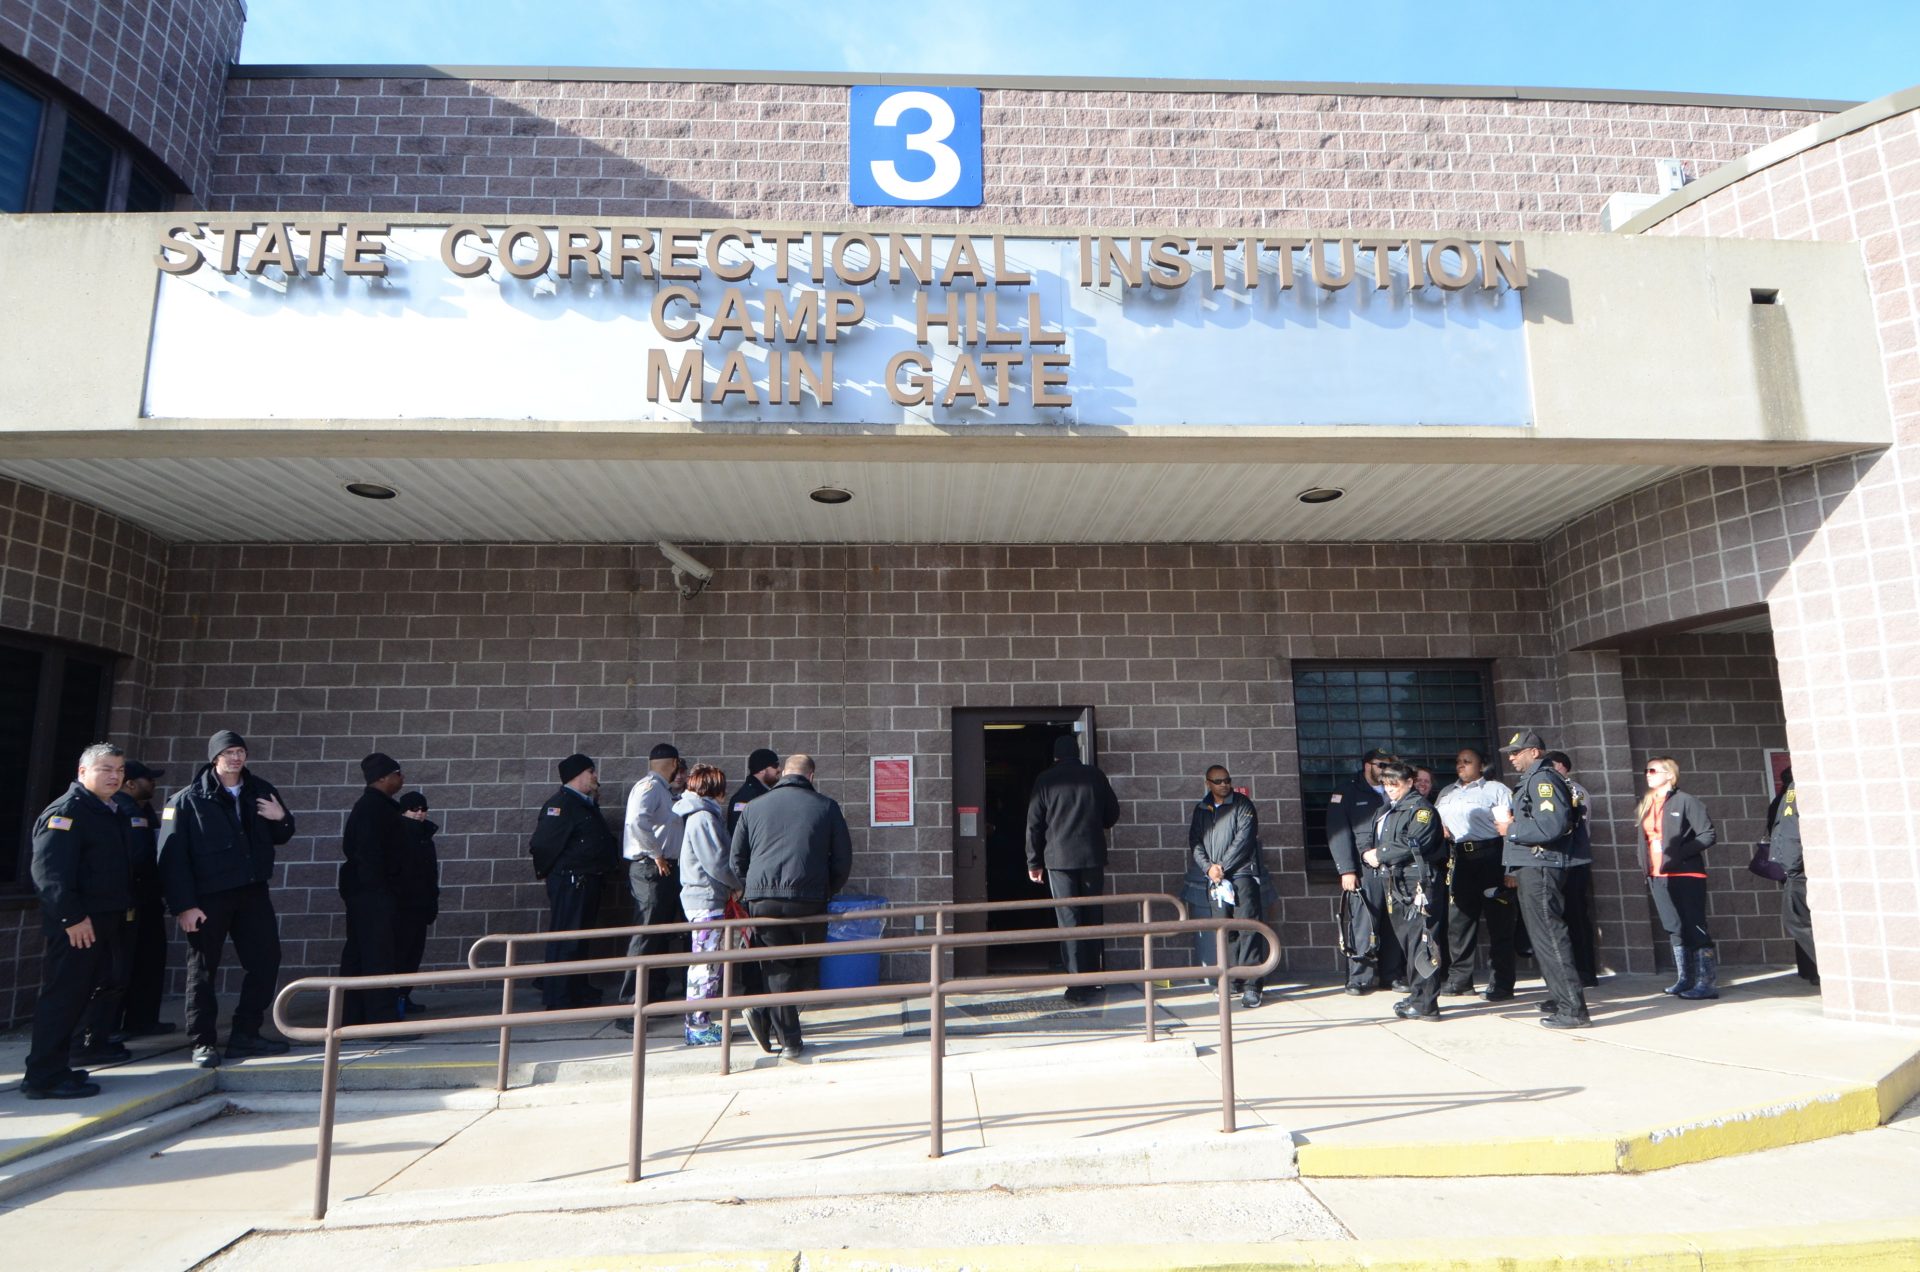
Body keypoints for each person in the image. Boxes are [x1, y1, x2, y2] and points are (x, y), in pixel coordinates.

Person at [157, 730, 295, 1068]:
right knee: (203, 969)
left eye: (240, 751)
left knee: (266, 959)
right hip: (208, 898)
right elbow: (171, 859)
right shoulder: (186, 800)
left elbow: (282, 834)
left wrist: (283, 819)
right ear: (214, 757)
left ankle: (246, 1034)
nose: (236, 757)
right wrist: (184, 905)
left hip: (252, 893)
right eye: (229, 752)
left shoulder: (260, 790)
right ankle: (203, 1042)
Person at [23, 743, 135, 1099]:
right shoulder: (67, 812)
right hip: (77, 925)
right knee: (64, 995)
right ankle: (42, 1076)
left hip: (102, 920)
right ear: (82, 772)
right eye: (105, 769)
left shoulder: (106, 810)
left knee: (81, 995)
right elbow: (49, 874)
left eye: (119, 770)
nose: (114, 776)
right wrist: (72, 918)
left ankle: (58, 1067)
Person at [729, 753, 852, 1058]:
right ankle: (789, 1039)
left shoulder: (754, 806)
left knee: (777, 966)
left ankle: (765, 1014)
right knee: (805, 964)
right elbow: (843, 860)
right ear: (811, 776)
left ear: (783, 773)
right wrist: (826, 890)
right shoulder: (826, 806)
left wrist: (753, 887)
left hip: (762, 898)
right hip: (808, 898)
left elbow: (736, 859)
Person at [1494, 729, 1590, 1029]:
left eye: (1516, 752)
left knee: (1549, 936)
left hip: (1542, 866)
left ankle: (1573, 1009)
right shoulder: (1533, 780)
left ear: (1534, 752)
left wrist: (1510, 829)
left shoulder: (1543, 780)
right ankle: (1562, 997)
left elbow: (1551, 826)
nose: (1511, 758)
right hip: (1534, 866)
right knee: (1543, 936)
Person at [1024, 734, 1121, 1006]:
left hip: (1059, 860)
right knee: (1092, 917)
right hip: (1092, 857)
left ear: (1055, 756)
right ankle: (1093, 978)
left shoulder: (1045, 780)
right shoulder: (1095, 776)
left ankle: (1077, 986)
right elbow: (1112, 814)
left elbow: (1034, 825)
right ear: (1077, 753)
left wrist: (1034, 862)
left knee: (1069, 921)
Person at [529, 752, 619, 1012]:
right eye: (592, 771)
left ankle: (577, 988)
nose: (595, 776)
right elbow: (542, 845)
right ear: (578, 775)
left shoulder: (584, 803)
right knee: (566, 939)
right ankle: (558, 996)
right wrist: (556, 873)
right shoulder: (561, 804)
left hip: (587, 880)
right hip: (571, 882)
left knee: (580, 940)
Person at [1435, 747, 1518, 1001]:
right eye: (1458, 761)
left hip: (1491, 856)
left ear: (1481, 766)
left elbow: (1510, 830)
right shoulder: (1447, 792)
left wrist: (1511, 868)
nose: (1461, 766)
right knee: (1458, 922)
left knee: (1499, 923)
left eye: (1467, 762)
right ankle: (1460, 980)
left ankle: (1502, 984)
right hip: (1460, 858)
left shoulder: (1495, 790)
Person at [1368, 761, 1447, 1022]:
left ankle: (1426, 1004)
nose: (1390, 790)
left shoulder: (1420, 809)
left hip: (1417, 880)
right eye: (1386, 785)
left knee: (1422, 942)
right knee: (1408, 942)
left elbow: (1414, 843)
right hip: (1396, 880)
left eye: (1395, 785)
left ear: (1409, 783)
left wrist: (1379, 854)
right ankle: (1417, 996)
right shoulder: (1389, 809)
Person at [1639, 756, 1720, 1001]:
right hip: (1657, 875)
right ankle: (1685, 978)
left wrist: (1678, 854)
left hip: (1685, 873)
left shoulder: (1686, 801)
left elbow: (1708, 834)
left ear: (1670, 774)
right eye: (1647, 771)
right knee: (1673, 927)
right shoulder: (1648, 803)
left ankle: (1706, 982)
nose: (1648, 774)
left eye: (1653, 770)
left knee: (1694, 925)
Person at [337, 753, 408, 1027]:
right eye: (397, 773)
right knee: (378, 956)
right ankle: (380, 1019)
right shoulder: (372, 809)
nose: (402, 778)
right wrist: (383, 889)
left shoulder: (379, 807)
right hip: (372, 895)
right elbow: (369, 855)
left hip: (368, 893)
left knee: (359, 954)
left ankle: (353, 1017)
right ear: (382, 778)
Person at [1189, 765, 1267, 1008]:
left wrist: (1221, 865)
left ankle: (1252, 985)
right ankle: (1232, 978)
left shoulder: (1243, 805)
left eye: (1227, 780)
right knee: (1225, 930)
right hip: (1215, 879)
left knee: (1248, 928)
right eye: (1218, 781)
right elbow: (1195, 841)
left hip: (1241, 874)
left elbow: (1244, 840)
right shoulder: (1202, 809)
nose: (1224, 785)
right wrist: (1208, 868)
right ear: (1208, 783)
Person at [674, 763, 740, 1046]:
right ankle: (697, 1025)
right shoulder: (703, 818)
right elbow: (716, 862)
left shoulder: (698, 815)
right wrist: (737, 884)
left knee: (708, 960)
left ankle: (700, 1022)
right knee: (705, 962)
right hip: (706, 898)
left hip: (704, 897)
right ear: (715, 789)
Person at [1327, 747, 1401, 995]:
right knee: (1363, 923)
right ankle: (1359, 978)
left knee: (1393, 922)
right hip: (1363, 869)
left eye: (1388, 765)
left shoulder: (1395, 790)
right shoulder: (1347, 791)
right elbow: (1338, 833)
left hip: (1392, 866)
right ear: (1367, 765)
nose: (1385, 770)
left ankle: (1392, 975)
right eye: (1381, 765)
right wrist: (1346, 870)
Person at [622, 743, 687, 1007]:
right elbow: (637, 821)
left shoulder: (664, 790)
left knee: (660, 934)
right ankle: (631, 1004)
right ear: (672, 763)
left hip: (665, 868)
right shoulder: (649, 787)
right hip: (650, 867)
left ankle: (654, 995)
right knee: (646, 934)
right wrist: (656, 853)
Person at [115, 760, 175, 1037]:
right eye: (148, 779)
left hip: (149, 899)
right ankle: (112, 1027)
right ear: (130, 783)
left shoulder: (144, 811)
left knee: (149, 961)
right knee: (121, 965)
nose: (153, 783)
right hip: (127, 901)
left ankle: (142, 1020)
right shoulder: (117, 810)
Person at [1544, 751, 1599, 987]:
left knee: (1576, 915)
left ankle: (1585, 971)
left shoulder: (1574, 790)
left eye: (1553, 766)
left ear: (1564, 768)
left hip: (1574, 860)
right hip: (1556, 861)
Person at [1766, 767, 1817, 984]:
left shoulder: (1794, 793)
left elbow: (1789, 833)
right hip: (1795, 868)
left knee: (1798, 920)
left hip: (1798, 871)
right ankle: (1816, 970)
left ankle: (1824, 969)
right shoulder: (1790, 794)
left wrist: (1791, 866)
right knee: (1798, 920)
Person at [393, 791, 441, 1013]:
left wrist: (432, 901)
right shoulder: (401, 835)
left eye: (423, 809)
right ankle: (395, 997)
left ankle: (403, 994)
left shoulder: (424, 836)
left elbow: (430, 874)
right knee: (401, 953)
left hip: (420, 904)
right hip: (404, 906)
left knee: (413, 953)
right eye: (414, 809)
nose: (420, 814)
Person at [728, 748, 781, 838]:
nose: (779, 769)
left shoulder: (763, 793)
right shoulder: (745, 797)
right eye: (775, 765)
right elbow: (738, 834)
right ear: (761, 769)